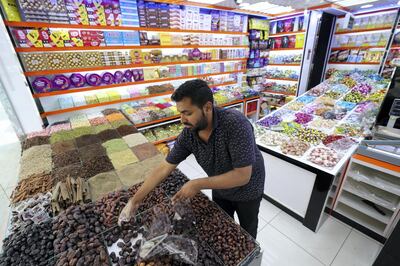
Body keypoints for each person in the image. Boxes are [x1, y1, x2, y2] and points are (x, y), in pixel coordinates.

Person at [118, 79, 265, 238]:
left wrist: (196, 184)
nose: (182, 120)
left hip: (248, 188)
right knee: (224, 226)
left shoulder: (235, 124)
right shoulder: (189, 134)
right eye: (180, 113)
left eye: (187, 113)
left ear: (207, 107)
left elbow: (242, 176)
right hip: (220, 185)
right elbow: (165, 167)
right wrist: (134, 201)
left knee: (247, 233)